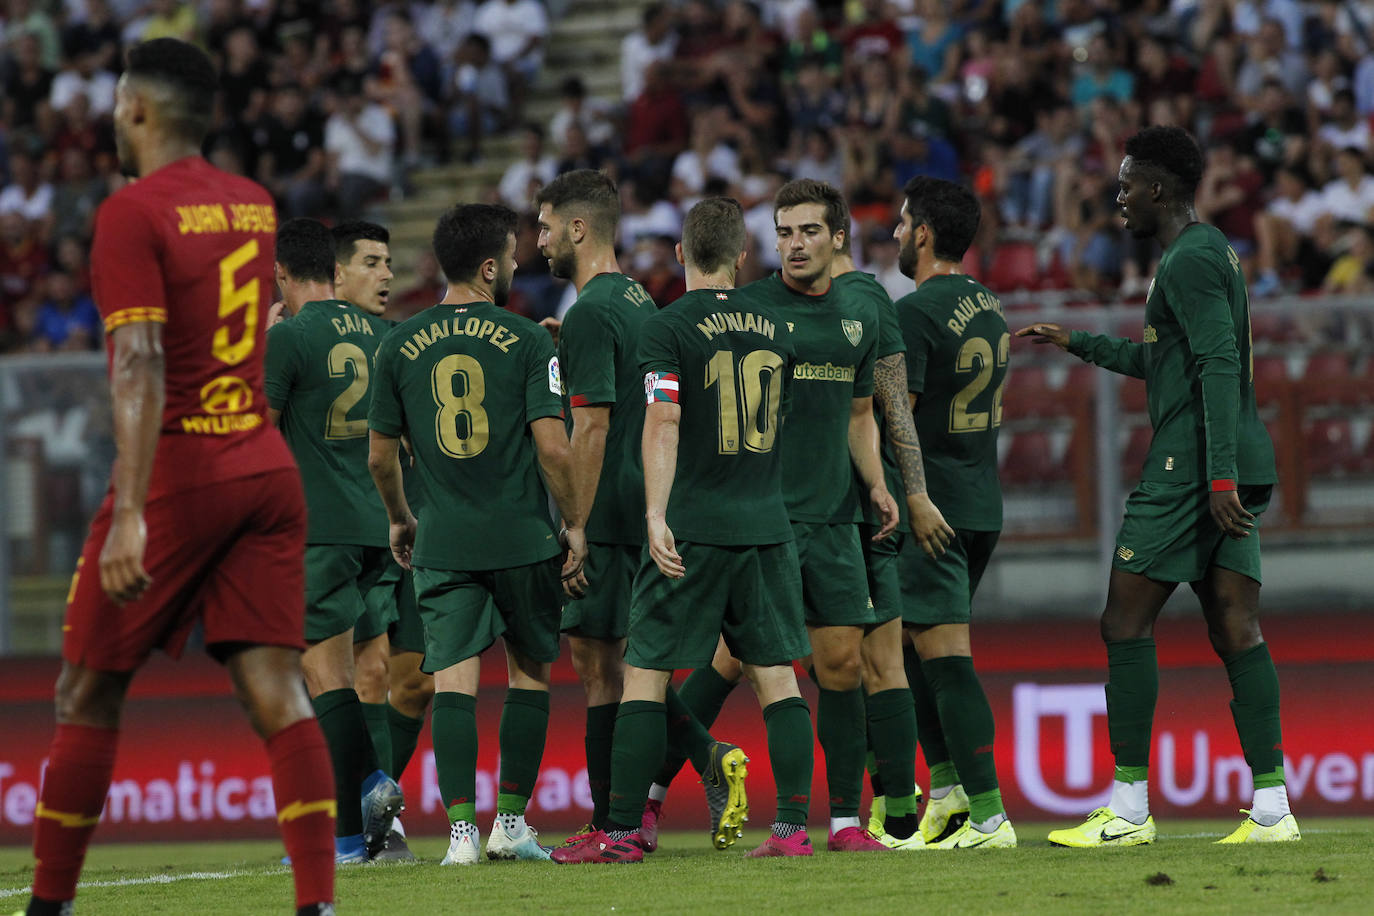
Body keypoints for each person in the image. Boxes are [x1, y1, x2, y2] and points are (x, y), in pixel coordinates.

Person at [24, 38, 335, 916]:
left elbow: (140, 361)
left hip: (183, 470)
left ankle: (48, 907)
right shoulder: (254, 204)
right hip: (266, 469)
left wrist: (129, 512)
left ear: (138, 112)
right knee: (277, 689)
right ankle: (320, 905)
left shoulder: (131, 212)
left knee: (86, 687)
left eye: (119, 101)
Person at [1020, 125, 1298, 847]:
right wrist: (1078, 342)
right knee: (1235, 625)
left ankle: (1130, 807)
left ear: (1158, 189)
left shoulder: (1191, 259)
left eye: (1124, 187)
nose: (1117, 200)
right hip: (1227, 456)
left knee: (1123, 621)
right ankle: (1273, 808)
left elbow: (1216, 363)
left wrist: (1218, 474)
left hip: (1194, 464)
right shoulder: (1200, 255)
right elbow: (1164, 361)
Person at [553, 198, 816, 863]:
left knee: (643, 673)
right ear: (741, 256)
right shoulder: (778, 328)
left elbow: (663, 421)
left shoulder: (667, 329)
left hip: (693, 524)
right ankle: (790, 830)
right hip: (765, 522)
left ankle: (617, 833)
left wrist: (654, 514)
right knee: (777, 679)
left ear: (680, 254)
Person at [367, 202, 587, 865]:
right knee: (528, 677)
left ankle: (459, 834)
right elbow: (553, 449)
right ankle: (510, 823)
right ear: (489, 266)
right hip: (522, 537)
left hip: (444, 539)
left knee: (453, 683)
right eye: (513, 256)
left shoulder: (397, 343)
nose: (520, 264)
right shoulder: (526, 340)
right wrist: (574, 522)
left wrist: (402, 518)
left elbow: (380, 457)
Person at [534, 169, 744, 848]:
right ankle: (700, 763)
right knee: (627, 664)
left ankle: (613, 820)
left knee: (601, 669)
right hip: (644, 498)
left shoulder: (591, 310)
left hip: (610, 509)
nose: (537, 242)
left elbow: (590, 428)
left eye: (543, 226)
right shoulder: (634, 301)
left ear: (577, 227)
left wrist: (575, 525)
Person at [264, 217, 404, 864]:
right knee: (359, 674)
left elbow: (259, 435)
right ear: (334, 268)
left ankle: (374, 779)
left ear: (283, 276)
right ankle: (350, 841)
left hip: (318, 530)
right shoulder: (384, 335)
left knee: (323, 677)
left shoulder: (289, 337)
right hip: (378, 526)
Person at [891, 176, 1016, 849]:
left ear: (924, 234)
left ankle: (990, 816)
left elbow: (902, 420)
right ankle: (945, 793)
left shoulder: (915, 314)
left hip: (931, 508)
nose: (894, 232)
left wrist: (906, 496)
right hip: (979, 500)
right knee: (911, 643)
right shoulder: (988, 305)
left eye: (902, 221)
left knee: (944, 654)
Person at [832, 223, 953, 850]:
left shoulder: (862, 300)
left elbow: (888, 407)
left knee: (867, 663)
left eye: (806, 232)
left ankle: (896, 811)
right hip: (820, 510)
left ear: (834, 237)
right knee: (855, 665)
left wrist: (912, 491)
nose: (794, 245)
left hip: (850, 509)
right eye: (783, 233)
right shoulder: (795, 303)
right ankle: (892, 809)